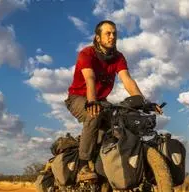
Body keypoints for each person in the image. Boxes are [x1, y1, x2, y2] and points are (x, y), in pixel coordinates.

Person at [65, 20, 162, 181]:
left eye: (114, 33)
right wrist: (92, 102)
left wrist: (143, 102)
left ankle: (105, 173)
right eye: (108, 33)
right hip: (79, 97)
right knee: (94, 115)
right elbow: (90, 78)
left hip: (101, 100)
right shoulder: (87, 53)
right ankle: (82, 165)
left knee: (121, 121)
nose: (112, 37)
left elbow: (127, 80)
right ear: (98, 37)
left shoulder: (118, 57)